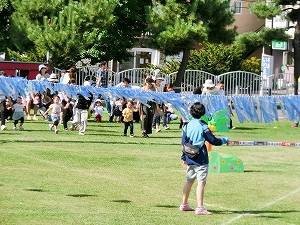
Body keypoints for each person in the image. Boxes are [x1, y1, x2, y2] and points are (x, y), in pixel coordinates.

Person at [179, 102, 228, 215]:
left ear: (191, 112)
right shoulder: (203, 126)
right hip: (200, 158)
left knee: (189, 181)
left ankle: (184, 204)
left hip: (189, 157)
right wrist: (224, 140)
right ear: (203, 113)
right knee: (201, 182)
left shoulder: (186, 125)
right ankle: (200, 208)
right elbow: (213, 141)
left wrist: (184, 157)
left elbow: (183, 143)